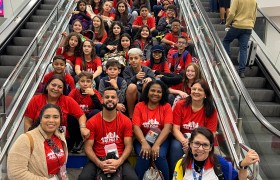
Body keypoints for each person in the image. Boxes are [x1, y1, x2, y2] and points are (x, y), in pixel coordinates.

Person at [78, 87, 138, 180]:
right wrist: (99, 163)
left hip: (119, 158)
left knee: (133, 178)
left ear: (118, 100)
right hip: (98, 159)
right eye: (107, 97)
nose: (110, 99)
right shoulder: (92, 121)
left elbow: (129, 146)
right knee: (83, 178)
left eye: (113, 97)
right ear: (102, 100)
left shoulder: (126, 121)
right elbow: (88, 148)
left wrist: (119, 162)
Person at [23, 75, 90, 148]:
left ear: (62, 90)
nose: (56, 88)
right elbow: (27, 121)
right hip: (39, 139)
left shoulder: (67, 100)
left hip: (61, 139)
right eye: (53, 85)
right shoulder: (36, 100)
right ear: (47, 86)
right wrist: (29, 140)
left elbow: (81, 115)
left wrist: (83, 127)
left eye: (60, 87)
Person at [169, 79, 218, 178]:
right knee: (175, 147)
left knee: (203, 149)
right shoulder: (180, 105)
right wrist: (185, 141)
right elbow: (175, 129)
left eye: (200, 90)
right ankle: (175, 175)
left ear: (205, 94)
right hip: (182, 138)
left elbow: (211, 134)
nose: (196, 92)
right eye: (194, 89)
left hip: (201, 141)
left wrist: (197, 144)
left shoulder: (211, 111)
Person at [173, 127, 260, 180]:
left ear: (210, 148)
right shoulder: (181, 164)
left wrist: (243, 166)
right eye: (196, 143)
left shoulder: (220, 163)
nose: (200, 148)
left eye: (205, 145)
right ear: (190, 144)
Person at [8, 104, 68, 179]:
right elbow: (16, 173)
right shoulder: (25, 139)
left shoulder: (60, 135)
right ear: (40, 119)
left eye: (55, 117)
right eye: (47, 117)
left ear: (60, 119)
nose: (51, 120)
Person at [133, 80, 173, 180]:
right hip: (142, 139)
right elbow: (135, 127)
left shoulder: (166, 107)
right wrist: (144, 142)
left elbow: (167, 127)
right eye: (152, 90)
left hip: (161, 139)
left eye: (159, 91)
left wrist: (157, 144)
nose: (155, 93)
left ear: (163, 93)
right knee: (144, 154)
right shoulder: (139, 106)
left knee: (158, 155)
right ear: (147, 92)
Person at [222, 0, 257, 78]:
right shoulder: (254, 1)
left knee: (226, 41)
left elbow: (231, 13)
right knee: (243, 49)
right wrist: (251, 25)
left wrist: (227, 24)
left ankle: (228, 61)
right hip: (248, 27)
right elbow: (254, 15)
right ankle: (242, 72)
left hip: (237, 25)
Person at [123, 48, 155, 118]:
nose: (133, 60)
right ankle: (131, 116)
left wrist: (150, 79)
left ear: (141, 59)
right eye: (131, 59)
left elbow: (155, 81)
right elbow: (125, 83)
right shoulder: (126, 70)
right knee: (132, 86)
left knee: (147, 83)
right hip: (131, 95)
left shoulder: (147, 70)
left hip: (144, 94)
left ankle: (143, 112)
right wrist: (135, 78)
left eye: (136, 58)